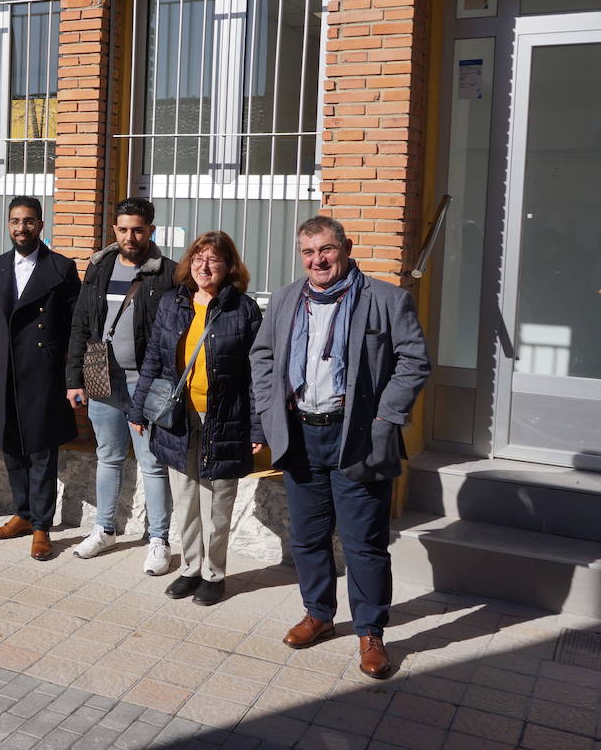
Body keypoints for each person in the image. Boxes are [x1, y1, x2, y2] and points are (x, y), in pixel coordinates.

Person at [250, 215, 430, 679]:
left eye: (326, 250)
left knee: (364, 544)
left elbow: (414, 360)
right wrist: (270, 414)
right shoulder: (287, 298)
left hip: (359, 439)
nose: (318, 260)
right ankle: (320, 615)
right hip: (300, 435)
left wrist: (387, 415)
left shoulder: (388, 300)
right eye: (308, 253)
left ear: (346, 247)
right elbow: (263, 356)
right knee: (307, 537)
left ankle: (371, 631)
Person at [129, 231, 263, 605]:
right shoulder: (174, 302)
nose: (205, 266)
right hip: (179, 416)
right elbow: (154, 358)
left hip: (225, 417)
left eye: (214, 259)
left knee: (217, 502)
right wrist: (138, 408)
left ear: (228, 266)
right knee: (185, 497)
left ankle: (213, 574)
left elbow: (256, 373)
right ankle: (190, 568)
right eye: (199, 258)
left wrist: (257, 426)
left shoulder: (243, 309)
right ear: (190, 263)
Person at [65, 197, 177, 574]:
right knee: (108, 457)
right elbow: (81, 324)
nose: (131, 236)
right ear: (114, 229)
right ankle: (105, 529)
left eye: (139, 229)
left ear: (151, 230)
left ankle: (159, 539)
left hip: (148, 383)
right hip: (103, 380)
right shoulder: (99, 269)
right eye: (124, 229)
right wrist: (73, 379)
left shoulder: (168, 274)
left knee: (152, 462)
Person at [0, 197, 81, 561]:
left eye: (28, 222)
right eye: (14, 222)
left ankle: (42, 526)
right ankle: (22, 514)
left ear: (41, 225)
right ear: (8, 225)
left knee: (41, 449)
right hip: (6, 366)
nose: (20, 228)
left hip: (43, 370)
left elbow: (74, 324)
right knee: (11, 443)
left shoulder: (60, 267)